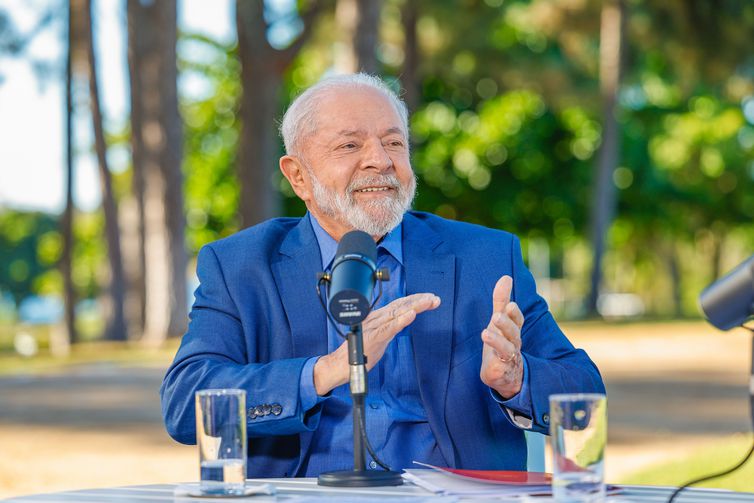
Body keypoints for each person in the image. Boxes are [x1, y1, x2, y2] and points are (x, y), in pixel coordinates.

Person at [160, 73, 605, 478]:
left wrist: (517, 379)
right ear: (298, 176)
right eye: (350, 146)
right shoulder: (241, 266)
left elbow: (585, 390)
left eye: (393, 143)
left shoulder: (484, 258)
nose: (380, 160)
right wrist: (326, 371)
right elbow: (185, 405)